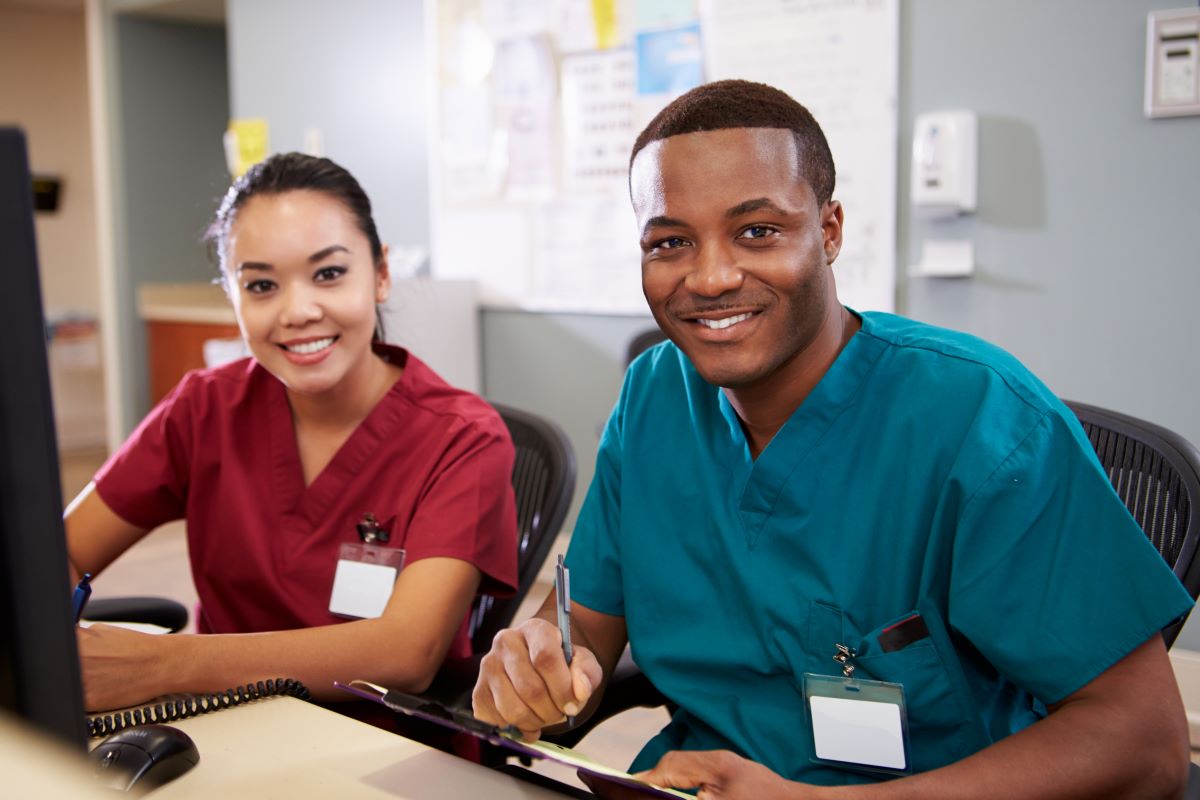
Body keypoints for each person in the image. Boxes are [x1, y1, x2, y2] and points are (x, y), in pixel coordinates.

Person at [472, 80, 1194, 797]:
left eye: (758, 231)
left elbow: (1145, 743)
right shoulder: (655, 395)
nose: (712, 276)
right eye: (670, 242)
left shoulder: (982, 419)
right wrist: (538, 659)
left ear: (829, 231)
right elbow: (588, 625)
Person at [67, 153, 518, 713]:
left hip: (385, 751)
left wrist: (162, 665)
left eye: (328, 273)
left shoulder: (462, 439)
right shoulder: (204, 409)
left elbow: (408, 651)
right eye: (261, 285)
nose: (297, 311)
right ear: (231, 295)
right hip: (224, 727)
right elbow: (61, 550)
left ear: (380, 273)